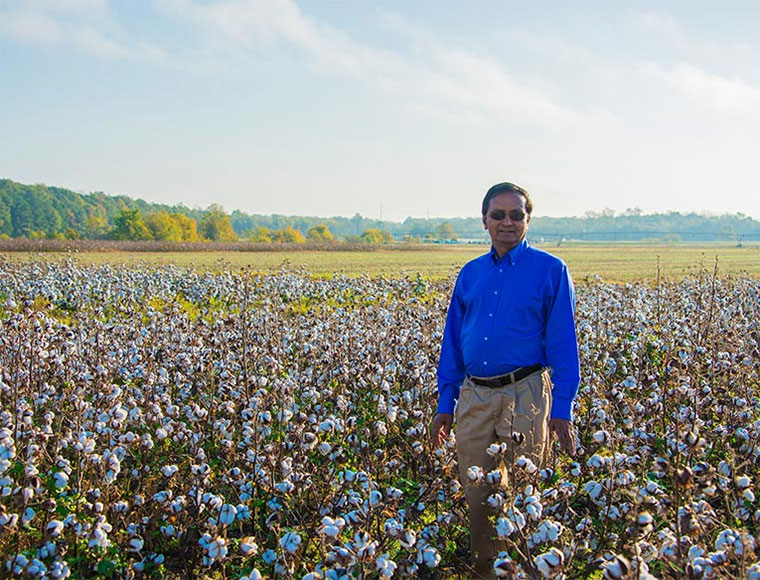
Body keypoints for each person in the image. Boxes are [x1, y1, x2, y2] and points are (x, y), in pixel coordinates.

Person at [430, 182, 580, 578]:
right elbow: (453, 343)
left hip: (525, 393)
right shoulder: (471, 273)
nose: (507, 222)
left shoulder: (551, 270)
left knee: (524, 496)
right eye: (498, 215)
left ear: (528, 219)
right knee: (477, 497)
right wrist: (446, 404)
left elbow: (564, 345)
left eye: (516, 215)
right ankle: (484, 573)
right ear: (484, 220)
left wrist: (561, 409)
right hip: (475, 395)